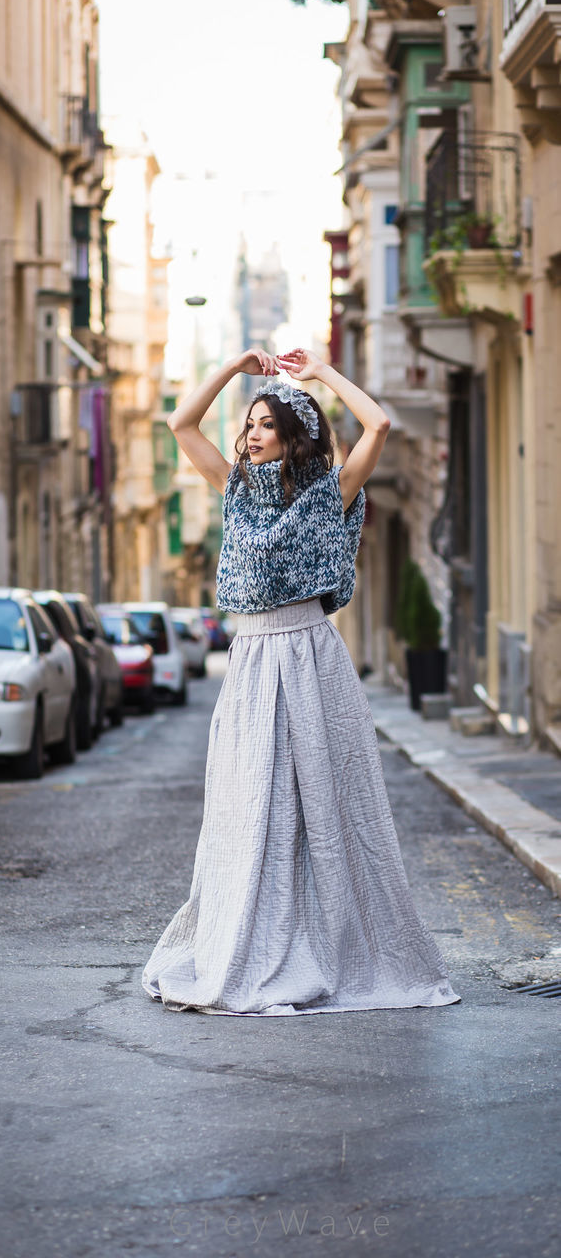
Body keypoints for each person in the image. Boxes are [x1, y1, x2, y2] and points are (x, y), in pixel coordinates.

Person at [141, 346, 461, 1016]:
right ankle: (253, 940)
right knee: (251, 808)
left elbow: (378, 427)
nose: (251, 433)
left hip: (310, 657)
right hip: (252, 663)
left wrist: (320, 376)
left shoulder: (329, 493)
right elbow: (180, 424)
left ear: (292, 438)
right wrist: (233, 367)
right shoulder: (233, 488)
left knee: (324, 807)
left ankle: (331, 942)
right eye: (249, 423)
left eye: (264, 424)